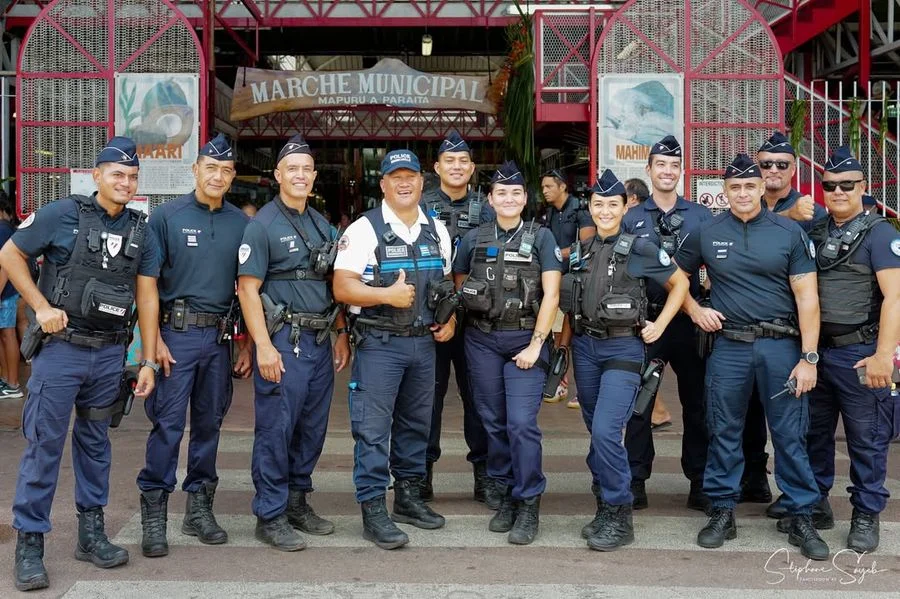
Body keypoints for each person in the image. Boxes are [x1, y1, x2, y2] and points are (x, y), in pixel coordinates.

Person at [2, 136, 160, 591]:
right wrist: (40, 305)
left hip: (109, 354)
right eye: (117, 174)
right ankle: (30, 543)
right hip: (62, 353)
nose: (125, 182)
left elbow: (147, 296)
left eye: (132, 177)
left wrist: (146, 359)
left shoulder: (140, 229)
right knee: (44, 445)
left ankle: (91, 535)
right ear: (96, 175)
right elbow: (10, 254)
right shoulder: (61, 214)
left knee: (95, 445)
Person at [677, 153, 829, 561]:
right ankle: (722, 510)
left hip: (781, 347)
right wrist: (695, 309)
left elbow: (808, 298)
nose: (743, 193)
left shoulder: (789, 233)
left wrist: (809, 358)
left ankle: (801, 514)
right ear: (723, 193)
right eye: (734, 187)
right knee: (723, 430)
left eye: (750, 186)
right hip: (728, 347)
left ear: (763, 188)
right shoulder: (707, 232)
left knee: (789, 435)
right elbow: (674, 278)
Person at [136, 134, 252, 558]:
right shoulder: (165, 218)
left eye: (225, 170)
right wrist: (153, 344)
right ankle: (154, 513)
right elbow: (145, 286)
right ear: (195, 170)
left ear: (232, 175)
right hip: (175, 338)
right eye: (210, 168)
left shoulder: (242, 224)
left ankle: (199, 508)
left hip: (220, 339)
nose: (217, 176)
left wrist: (246, 345)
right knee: (167, 426)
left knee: (209, 426)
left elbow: (246, 290)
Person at [561, 169, 689, 551]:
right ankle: (604, 506)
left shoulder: (641, 247)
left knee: (606, 431)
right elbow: (572, 305)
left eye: (611, 204)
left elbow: (680, 283)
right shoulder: (581, 250)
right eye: (597, 204)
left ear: (624, 207)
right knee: (595, 432)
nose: (604, 210)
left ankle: (620, 513)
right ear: (590, 207)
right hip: (585, 348)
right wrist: (562, 350)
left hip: (623, 348)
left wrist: (660, 325)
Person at [333, 149, 454, 550]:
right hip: (380, 345)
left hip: (423, 345)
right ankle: (373, 510)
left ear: (423, 181)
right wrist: (386, 295)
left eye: (411, 176)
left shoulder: (437, 229)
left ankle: (408, 499)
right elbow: (343, 286)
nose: (404, 183)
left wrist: (449, 319)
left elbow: (447, 283)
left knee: (416, 426)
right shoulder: (364, 230)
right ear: (382, 184)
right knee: (372, 430)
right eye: (395, 177)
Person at [238, 134, 351, 551]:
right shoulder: (262, 224)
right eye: (292, 169)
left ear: (314, 176)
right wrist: (263, 346)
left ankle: (296, 501)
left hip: (320, 340)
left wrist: (339, 333)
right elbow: (247, 289)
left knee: (311, 428)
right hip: (284, 341)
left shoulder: (321, 223)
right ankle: (269, 513)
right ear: (278, 175)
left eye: (306, 169)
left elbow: (333, 285)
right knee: (276, 428)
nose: (300, 175)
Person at [454, 161, 563, 545]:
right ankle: (505, 494)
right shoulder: (473, 238)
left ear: (525, 198)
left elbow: (551, 294)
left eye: (516, 192)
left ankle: (529, 499)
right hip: (481, 339)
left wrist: (537, 344)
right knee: (492, 421)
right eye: (502, 192)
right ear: (490, 198)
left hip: (524, 342)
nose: (509, 198)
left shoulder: (543, 237)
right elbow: (459, 284)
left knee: (520, 423)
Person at [804, 146, 900, 553]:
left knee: (867, 438)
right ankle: (816, 502)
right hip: (817, 353)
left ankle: (866, 512)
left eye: (847, 185)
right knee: (814, 434)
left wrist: (883, 355)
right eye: (830, 185)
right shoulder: (816, 231)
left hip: (860, 353)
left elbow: (895, 297)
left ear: (864, 187)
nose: (838, 192)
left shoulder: (881, 233)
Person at [622, 135, 712, 512]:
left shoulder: (700, 216)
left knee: (698, 406)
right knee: (639, 405)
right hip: (647, 321)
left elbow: (715, 266)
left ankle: (700, 481)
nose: (668, 171)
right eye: (661, 165)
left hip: (689, 323)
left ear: (681, 171)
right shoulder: (632, 217)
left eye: (674, 166)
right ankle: (636, 479)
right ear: (649, 170)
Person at [742, 133, 829, 505]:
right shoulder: (744, 202)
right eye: (766, 164)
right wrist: (785, 217)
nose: (773, 170)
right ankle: (753, 479)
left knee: (796, 420)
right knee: (747, 413)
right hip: (748, 328)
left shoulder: (814, 211)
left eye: (782, 164)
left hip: (796, 330)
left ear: (794, 169)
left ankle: (804, 498)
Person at [419, 132, 495, 506]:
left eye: (463, 161)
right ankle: (420, 475)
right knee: (425, 401)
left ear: (472, 168)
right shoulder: (418, 206)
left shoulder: (490, 208)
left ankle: (484, 474)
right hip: (429, 322)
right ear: (437, 167)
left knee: (479, 400)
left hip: (476, 322)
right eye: (449, 161)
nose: (457, 167)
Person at [541, 169, 594, 408]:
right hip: (555, 281)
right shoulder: (551, 212)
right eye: (543, 188)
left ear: (562, 187)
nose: (544, 192)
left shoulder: (581, 211)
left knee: (576, 334)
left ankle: (584, 391)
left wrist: (555, 254)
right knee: (555, 335)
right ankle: (559, 383)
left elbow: (586, 245)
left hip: (579, 282)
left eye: (548, 187)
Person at [623, 177, 671, 429]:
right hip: (642, 316)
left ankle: (659, 412)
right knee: (642, 376)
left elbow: (678, 282)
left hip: (666, 319)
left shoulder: (640, 240)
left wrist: (661, 323)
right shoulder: (627, 224)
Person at [0, 190, 23, 398]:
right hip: (6, 291)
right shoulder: (7, 227)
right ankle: (7, 381)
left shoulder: (2, 229)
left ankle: (13, 384)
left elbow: (6, 265)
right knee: (4, 336)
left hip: (4, 292)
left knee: (7, 335)